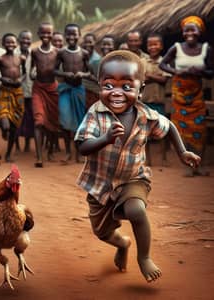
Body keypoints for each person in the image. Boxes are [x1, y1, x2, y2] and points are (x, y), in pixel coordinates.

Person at [74, 50, 201, 283]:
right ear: (99, 85)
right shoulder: (96, 114)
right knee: (102, 232)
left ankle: (144, 257)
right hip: (101, 185)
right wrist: (104, 139)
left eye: (126, 86)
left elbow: (169, 126)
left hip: (134, 178)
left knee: (136, 210)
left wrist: (182, 152)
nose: (117, 93)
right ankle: (123, 244)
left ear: (140, 90)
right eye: (109, 85)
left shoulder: (146, 115)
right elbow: (82, 146)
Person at [159, 16, 214, 176]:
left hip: (197, 96)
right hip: (179, 96)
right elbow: (162, 64)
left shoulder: (206, 49)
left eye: (193, 29)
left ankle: (198, 164)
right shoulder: (176, 47)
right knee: (181, 130)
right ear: (183, 33)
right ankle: (188, 166)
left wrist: (200, 71)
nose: (189, 33)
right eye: (186, 30)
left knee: (200, 129)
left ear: (199, 32)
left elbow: (211, 72)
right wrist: (176, 71)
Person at [55, 23, 91, 163]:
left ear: (79, 35)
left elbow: (89, 72)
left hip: (79, 90)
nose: (71, 37)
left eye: (74, 34)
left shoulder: (84, 53)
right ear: (65, 36)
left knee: (79, 122)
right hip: (66, 89)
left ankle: (78, 152)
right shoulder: (61, 53)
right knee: (64, 120)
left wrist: (82, 73)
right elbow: (54, 70)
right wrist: (65, 74)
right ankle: (68, 152)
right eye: (68, 34)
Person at [30, 22, 59, 167]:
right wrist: (32, 73)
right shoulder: (34, 52)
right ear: (38, 34)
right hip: (38, 89)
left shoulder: (57, 52)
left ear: (53, 34)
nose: (46, 36)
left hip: (53, 89)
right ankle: (39, 157)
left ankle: (51, 150)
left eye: (49, 33)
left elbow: (60, 70)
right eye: (43, 33)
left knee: (53, 122)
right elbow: (31, 69)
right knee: (39, 121)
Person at [0, 33, 25, 162]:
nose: (10, 45)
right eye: (8, 42)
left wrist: (20, 80)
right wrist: (2, 78)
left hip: (17, 93)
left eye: (13, 42)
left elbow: (25, 73)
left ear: (16, 43)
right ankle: (4, 129)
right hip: (4, 92)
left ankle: (8, 154)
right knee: (5, 123)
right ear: (3, 44)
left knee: (14, 126)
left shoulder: (21, 58)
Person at [142, 33, 171, 166]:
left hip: (159, 101)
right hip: (145, 102)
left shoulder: (165, 61)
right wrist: (155, 77)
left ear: (161, 46)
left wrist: (149, 76)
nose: (153, 47)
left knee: (162, 130)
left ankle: (164, 158)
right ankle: (148, 160)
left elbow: (164, 80)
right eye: (150, 44)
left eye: (156, 44)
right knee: (145, 132)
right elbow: (141, 79)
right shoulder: (142, 62)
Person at [15, 30, 34, 153]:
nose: (26, 41)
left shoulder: (34, 54)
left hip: (32, 92)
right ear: (19, 39)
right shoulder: (13, 53)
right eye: (23, 39)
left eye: (28, 39)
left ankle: (27, 144)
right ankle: (16, 144)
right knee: (17, 118)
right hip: (17, 91)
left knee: (30, 119)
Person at [82, 32, 100, 111]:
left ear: (94, 43)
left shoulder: (97, 60)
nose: (87, 44)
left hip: (94, 93)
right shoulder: (81, 56)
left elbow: (99, 80)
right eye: (86, 42)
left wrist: (89, 76)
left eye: (90, 42)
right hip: (83, 93)